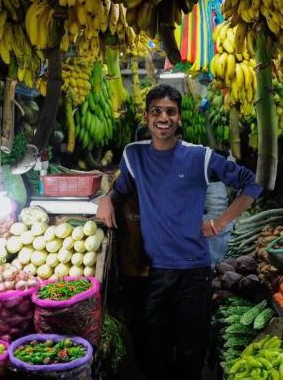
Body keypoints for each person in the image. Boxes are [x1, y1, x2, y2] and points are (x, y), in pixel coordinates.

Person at [96, 84, 262, 379]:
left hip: (193, 272)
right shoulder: (134, 156)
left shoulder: (200, 157)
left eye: (171, 112)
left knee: (190, 352)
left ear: (179, 118)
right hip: (153, 273)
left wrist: (219, 223)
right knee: (154, 353)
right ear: (146, 117)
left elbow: (251, 184)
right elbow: (120, 191)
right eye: (157, 111)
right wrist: (106, 200)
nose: (164, 118)